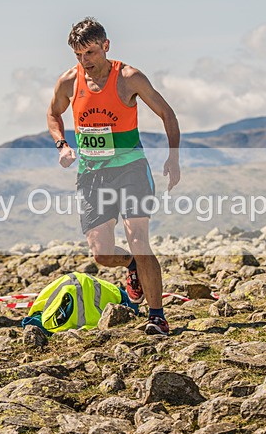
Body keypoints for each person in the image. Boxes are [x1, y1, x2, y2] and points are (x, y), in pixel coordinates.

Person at [46, 18, 181, 336]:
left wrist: (173, 157)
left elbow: (167, 113)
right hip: (92, 175)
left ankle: (157, 315)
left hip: (131, 168)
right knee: (103, 254)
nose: (85, 61)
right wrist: (62, 145)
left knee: (138, 239)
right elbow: (53, 113)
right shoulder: (69, 82)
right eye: (79, 55)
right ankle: (131, 266)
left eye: (90, 52)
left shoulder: (128, 78)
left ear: (106, 46)